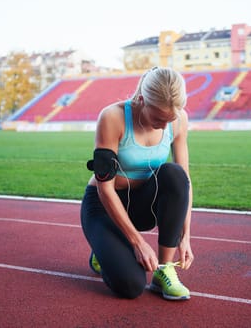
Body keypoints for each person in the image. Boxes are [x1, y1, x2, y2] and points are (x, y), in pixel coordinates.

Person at [80, 66, 194, 300]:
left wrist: (185, 236)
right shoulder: (113, 117)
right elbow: (105, 188)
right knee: (131, 286)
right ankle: (104, 248)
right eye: (158, 118)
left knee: (174, 174)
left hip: (143, 205)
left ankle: (164, 271)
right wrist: (138, 242)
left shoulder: (179, 120)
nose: (164, 125)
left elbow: (184, 182)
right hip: (104, 206)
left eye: (169, 119)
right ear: (142, 100)